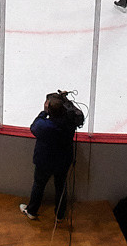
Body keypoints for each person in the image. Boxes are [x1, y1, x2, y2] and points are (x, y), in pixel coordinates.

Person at [20, 91, 84, 221]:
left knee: (39, 184)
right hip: (63, 161)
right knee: (61, 186)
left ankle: (32, 211)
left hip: (45, 161)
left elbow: (34, 126)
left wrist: (44, 112)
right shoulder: (70, 121)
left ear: (49, 109)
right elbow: (78, 114)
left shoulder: (45, 125)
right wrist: (65, 101)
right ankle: (60, 215)